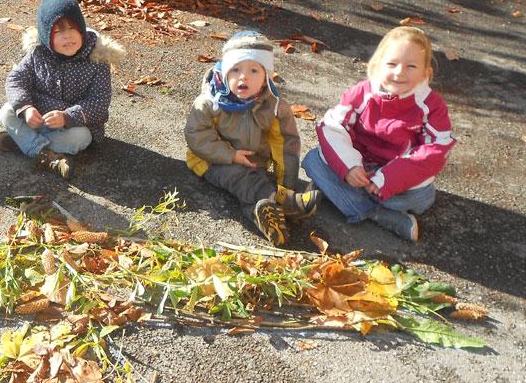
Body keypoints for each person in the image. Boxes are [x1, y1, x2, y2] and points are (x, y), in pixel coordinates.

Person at [302, 26, 455, 242]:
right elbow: (332, 126)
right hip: (361, 170)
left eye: (411, 66)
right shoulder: (363, 93)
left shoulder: (431, 105)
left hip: (398, 180)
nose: (399, 72)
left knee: (418, 199)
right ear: (377, 65)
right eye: (392, 64)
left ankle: (336, 194)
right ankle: (379, 215)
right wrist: (350, 167)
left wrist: (389, 178)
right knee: (313, 160)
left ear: (425, 73)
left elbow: (436, 149)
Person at [185, 30, 319, 246]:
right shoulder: (210, 102)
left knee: (252, 187)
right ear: (225, 72)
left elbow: (285, 146)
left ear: (266, 77)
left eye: (253, 70)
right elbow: (197, 136)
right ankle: (286, 205)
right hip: (211, 160)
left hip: (254, 163)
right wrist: (230, 155)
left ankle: (266, 216)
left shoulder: (274, 107)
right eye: (235, 69)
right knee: (242, 178)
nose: (243, 77)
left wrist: (287, 184)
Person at [0, 0, 123, 180]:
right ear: (46, 35)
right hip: (38, 118)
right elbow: (16, 79)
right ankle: (43, 153)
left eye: (73, 28)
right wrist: (27, 109)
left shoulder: (97, 59)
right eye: (58, 31)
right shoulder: (37, 54)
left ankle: (24, 142)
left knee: (81, 138)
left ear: (82, 30)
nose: (68, 36)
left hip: (72, 126)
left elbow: (99, 101)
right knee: (6, 111)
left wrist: (67, 117)